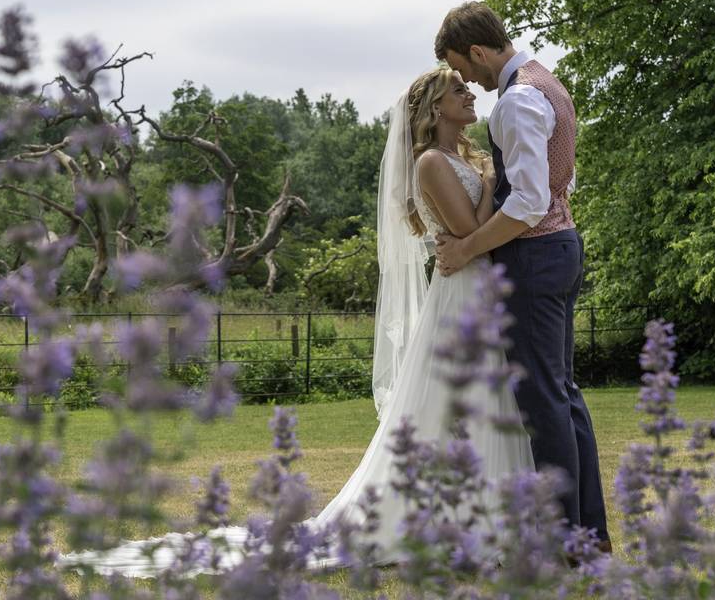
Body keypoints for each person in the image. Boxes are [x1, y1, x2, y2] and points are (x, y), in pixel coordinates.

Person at [58, 66, 534, 577]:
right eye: (458, 90)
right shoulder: (431, 162)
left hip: (477, 285)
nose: (470, 96)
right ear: (435, 109)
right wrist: (487, 184)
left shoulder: (461, 155)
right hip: (461, 290)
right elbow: (470, 229)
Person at [433, 1, 610, 550]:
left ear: (480, 51)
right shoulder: (549, 84)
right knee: (563, 393)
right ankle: (589, 533)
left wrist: (465, 249)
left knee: (542, 401)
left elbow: (528, 203)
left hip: (533, 256)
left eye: (465, 68)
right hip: (559, 247)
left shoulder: (517, 101)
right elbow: (562, 183)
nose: (468, 80)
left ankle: (565, 542)